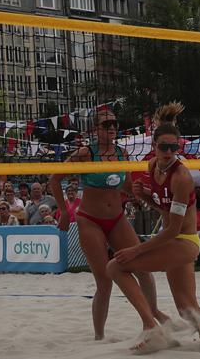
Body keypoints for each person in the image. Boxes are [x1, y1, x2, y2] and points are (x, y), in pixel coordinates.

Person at [107, 119, 200, 354]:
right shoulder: (152, 167)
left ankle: (151, 325)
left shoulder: (181, 177)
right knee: (188, 309)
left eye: (174, 148)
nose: (169, 152)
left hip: (182, 241)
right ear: (154, 147)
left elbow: (173, 229)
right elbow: (164, 210)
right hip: (174, 241)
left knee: (115, 267)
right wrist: (144, 197)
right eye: (164, 147)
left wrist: (136, 249)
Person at [51, 107, 171, 341]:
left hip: (116, 218)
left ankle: (152, 315)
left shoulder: (121, 153)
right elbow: (55, 179)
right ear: (96, 129)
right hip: (90, 220)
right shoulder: (85, 153)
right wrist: (64, 212)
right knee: (104, 281)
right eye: (107, 124)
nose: (113, 128)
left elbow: (126, 185)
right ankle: (99, 337)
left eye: (115, 124)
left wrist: (144, 196)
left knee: (143, 269)